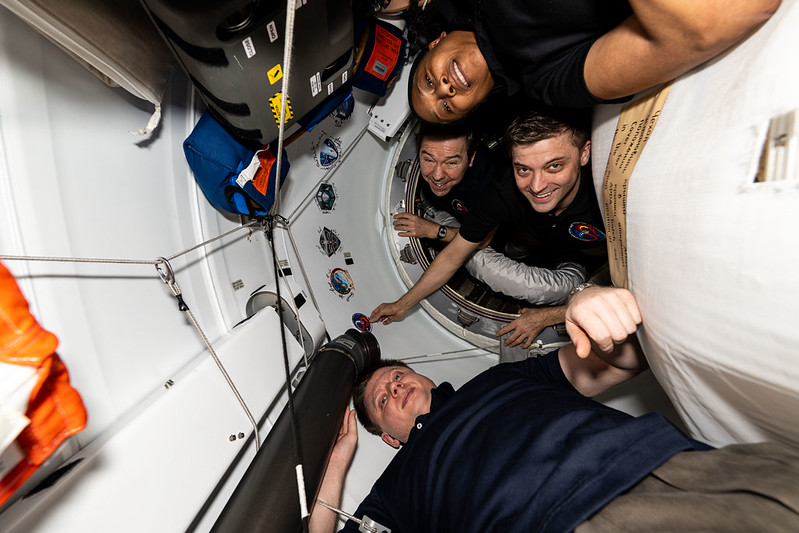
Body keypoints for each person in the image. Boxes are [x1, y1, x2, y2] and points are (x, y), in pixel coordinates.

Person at [310, 286, 799, 532]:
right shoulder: (396, 488)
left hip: (658, 463)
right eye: (382, 399)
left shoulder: (500, 377)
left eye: (396, 376)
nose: (395, 388)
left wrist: (590, 306)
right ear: (390, 437)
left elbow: (621, 362)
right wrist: (336, 465)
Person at [371, 108, 607, 350]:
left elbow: (628, 291)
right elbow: (454, 255)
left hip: (596, 260)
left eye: (554, 166)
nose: (537, 186)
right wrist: (402, 304)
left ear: (584, 153)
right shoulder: (503, 191)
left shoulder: (609, 198)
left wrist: (549, 315)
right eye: (523, 169)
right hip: (543, 245)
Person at [408, 0, 781, 123]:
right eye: (447, 107)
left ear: (437, 41)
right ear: (476, 104)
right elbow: (705, 26)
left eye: (428, 81)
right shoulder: (549, 82)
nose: (445, 89)